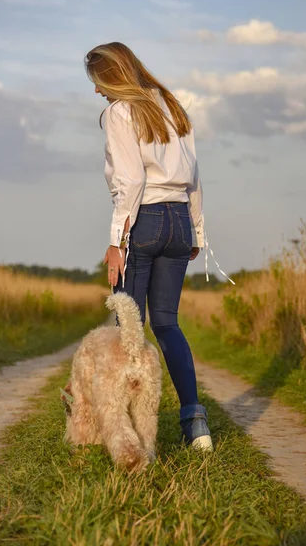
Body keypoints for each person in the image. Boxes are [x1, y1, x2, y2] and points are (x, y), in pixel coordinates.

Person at [85, 42, 212, 451]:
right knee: (167, 324)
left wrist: (115, 242)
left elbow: (130, 181)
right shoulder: (171, 105)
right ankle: (196, 424)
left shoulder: (120, 112)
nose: (97, 92)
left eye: (99, 82)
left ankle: (128, 433)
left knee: (128, 331)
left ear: (113, 76)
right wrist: (196, 231)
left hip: (145, 219)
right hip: (178, 220)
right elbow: (194, 175)